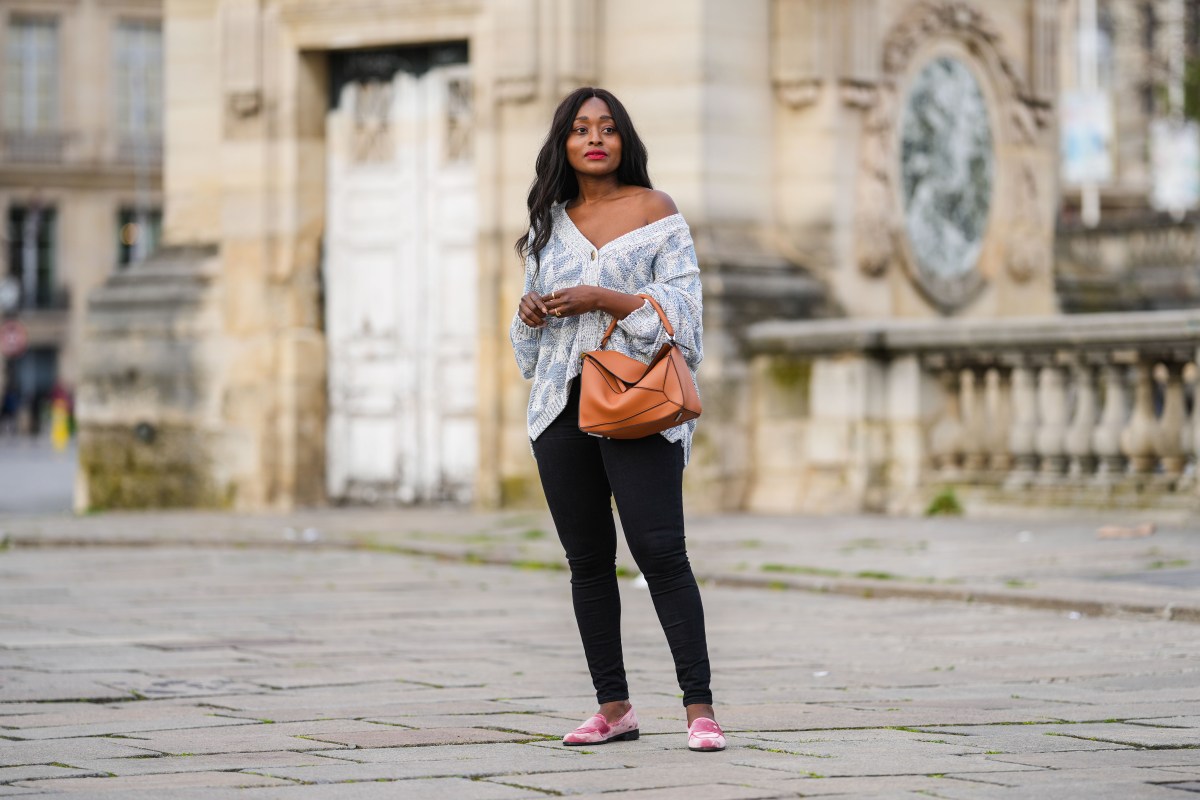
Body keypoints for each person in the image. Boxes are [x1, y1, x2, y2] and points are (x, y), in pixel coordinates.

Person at [509, 87, 724, 752]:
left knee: (661, 553)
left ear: (624, 139)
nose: (594, 138)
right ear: (564, 144)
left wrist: (606, 297)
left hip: (639, 405)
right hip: (560, 411)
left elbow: (687, 317)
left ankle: (700, 712)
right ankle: (614, 707)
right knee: (588, 562)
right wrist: (529, 315)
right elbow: (528, 355)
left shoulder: (657, 212)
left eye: (607, 127)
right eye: (580, 129)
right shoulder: (548, 220)